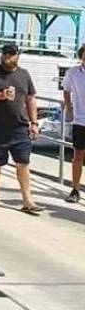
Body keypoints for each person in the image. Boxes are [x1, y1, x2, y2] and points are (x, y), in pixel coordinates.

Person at [0, 42, 41, 215]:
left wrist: (34, 123)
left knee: (23, 162)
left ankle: (27, 199)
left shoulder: (24, 75)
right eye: (5, 53)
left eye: (11, 54)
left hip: (19, 126)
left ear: (17, 56)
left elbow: (30, 99)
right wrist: (0, 95)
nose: (7, 57)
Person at [63, 44, 85, 203]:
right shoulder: (73, 72)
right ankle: (75, 189)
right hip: (80, 120)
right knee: (78, 156)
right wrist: (69, 108)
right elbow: (66, 90)